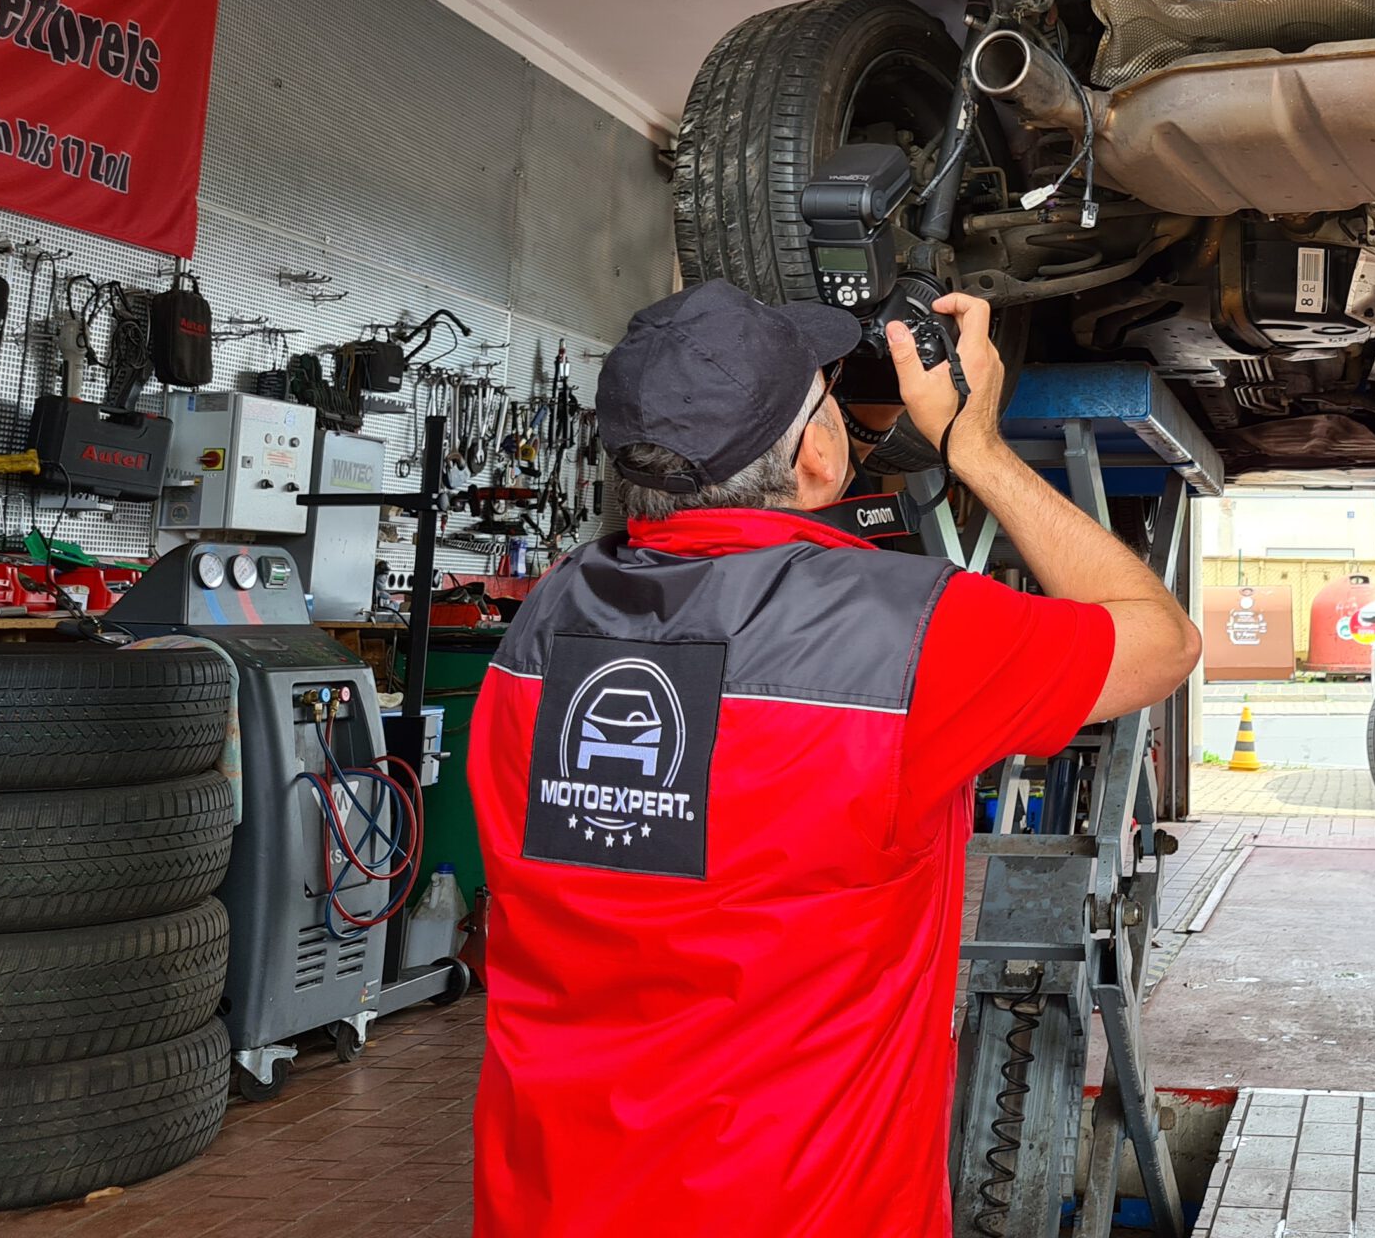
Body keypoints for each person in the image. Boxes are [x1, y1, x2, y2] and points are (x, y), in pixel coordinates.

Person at [467, 280, 1202, 1237]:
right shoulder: (906, 632)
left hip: (547, 1196)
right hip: (802, 1209)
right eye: (828, 398)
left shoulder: (545, 620)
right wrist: (974, 447)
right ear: (817, 453)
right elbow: (1161, 641)